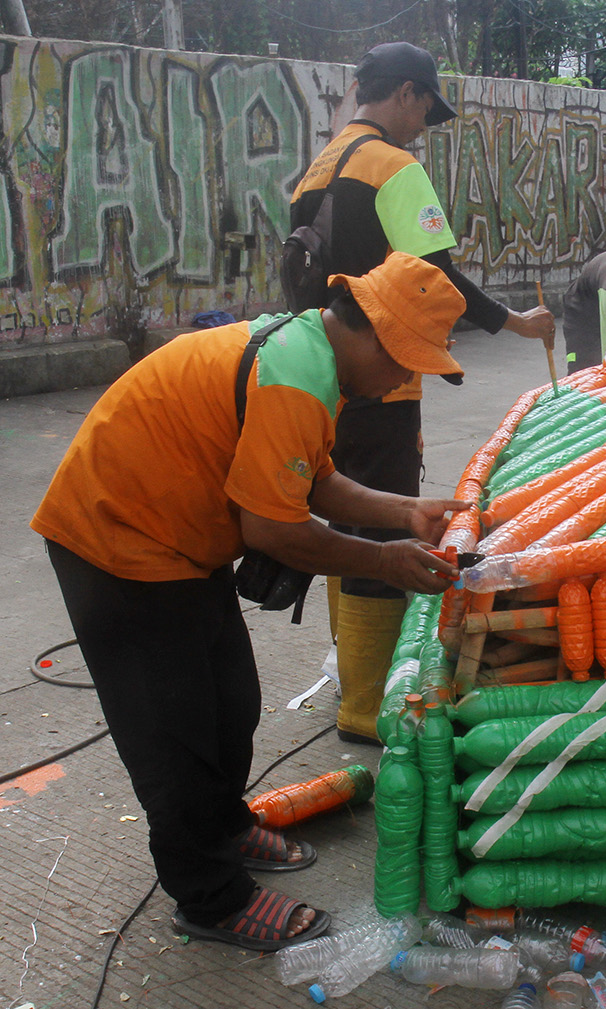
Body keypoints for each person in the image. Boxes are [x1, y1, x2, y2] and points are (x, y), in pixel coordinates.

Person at [30, 253, 470, 952]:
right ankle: (210, 898)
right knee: (174, 735)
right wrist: (384, 558)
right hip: (116, 538)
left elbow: (313, 479)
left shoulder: (312, 355)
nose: (401, 381)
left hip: (180, 542)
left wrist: (405, 511)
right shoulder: (299, 375)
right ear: (376, 338)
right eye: (406, 363)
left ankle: (227, 826)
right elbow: (272, 528)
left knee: (228, 701)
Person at [289, 41, 555, 744]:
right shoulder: (393, 169)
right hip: (382, 372)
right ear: (404, 93)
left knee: (342, 523)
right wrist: (516, 322)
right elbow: (435, 281)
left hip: (321, 372)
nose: (421, 129)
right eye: (423, 111)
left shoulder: (315, 169)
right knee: (383, 530)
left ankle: (355, 677)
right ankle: (367, 708)